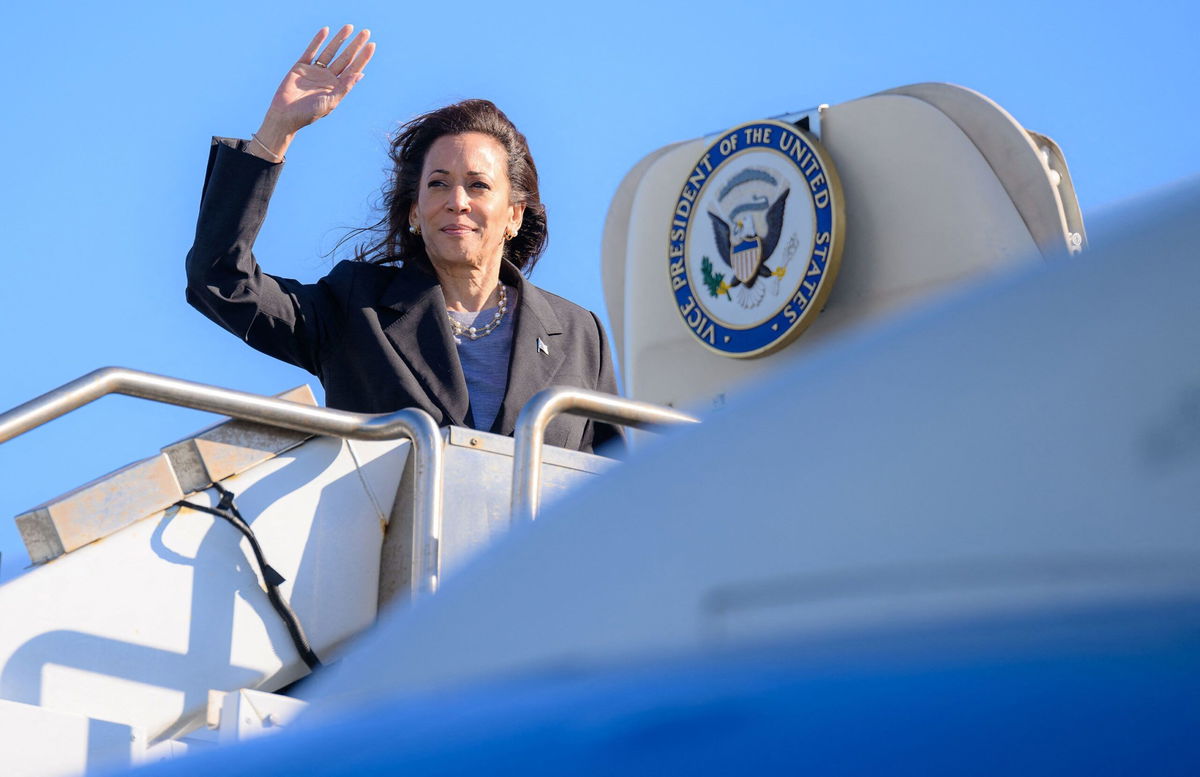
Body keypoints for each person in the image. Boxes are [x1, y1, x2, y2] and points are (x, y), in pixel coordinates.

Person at [186, 25, 622, 453]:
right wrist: (276, 129)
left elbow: (616, 484)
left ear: (514, 215)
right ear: (414, 211)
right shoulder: (355, 308)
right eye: (437, 184)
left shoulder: (581, 335)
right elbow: (221, 280)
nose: (457, 201)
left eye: (478, 185)